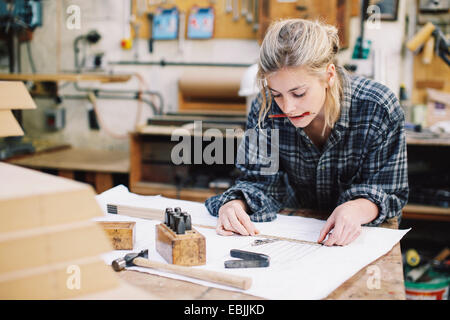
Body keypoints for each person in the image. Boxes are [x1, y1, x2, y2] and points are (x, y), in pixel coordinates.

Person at [205, 19, 408, 246]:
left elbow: (390, 191)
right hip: (296, 233)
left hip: (364, 238)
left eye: (299, 93)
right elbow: (259, 182)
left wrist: (355, 209)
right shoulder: (265, 109)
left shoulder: (377, 108)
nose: (288, 107)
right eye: (277, 94)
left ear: (329, 76)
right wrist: (236, 204)